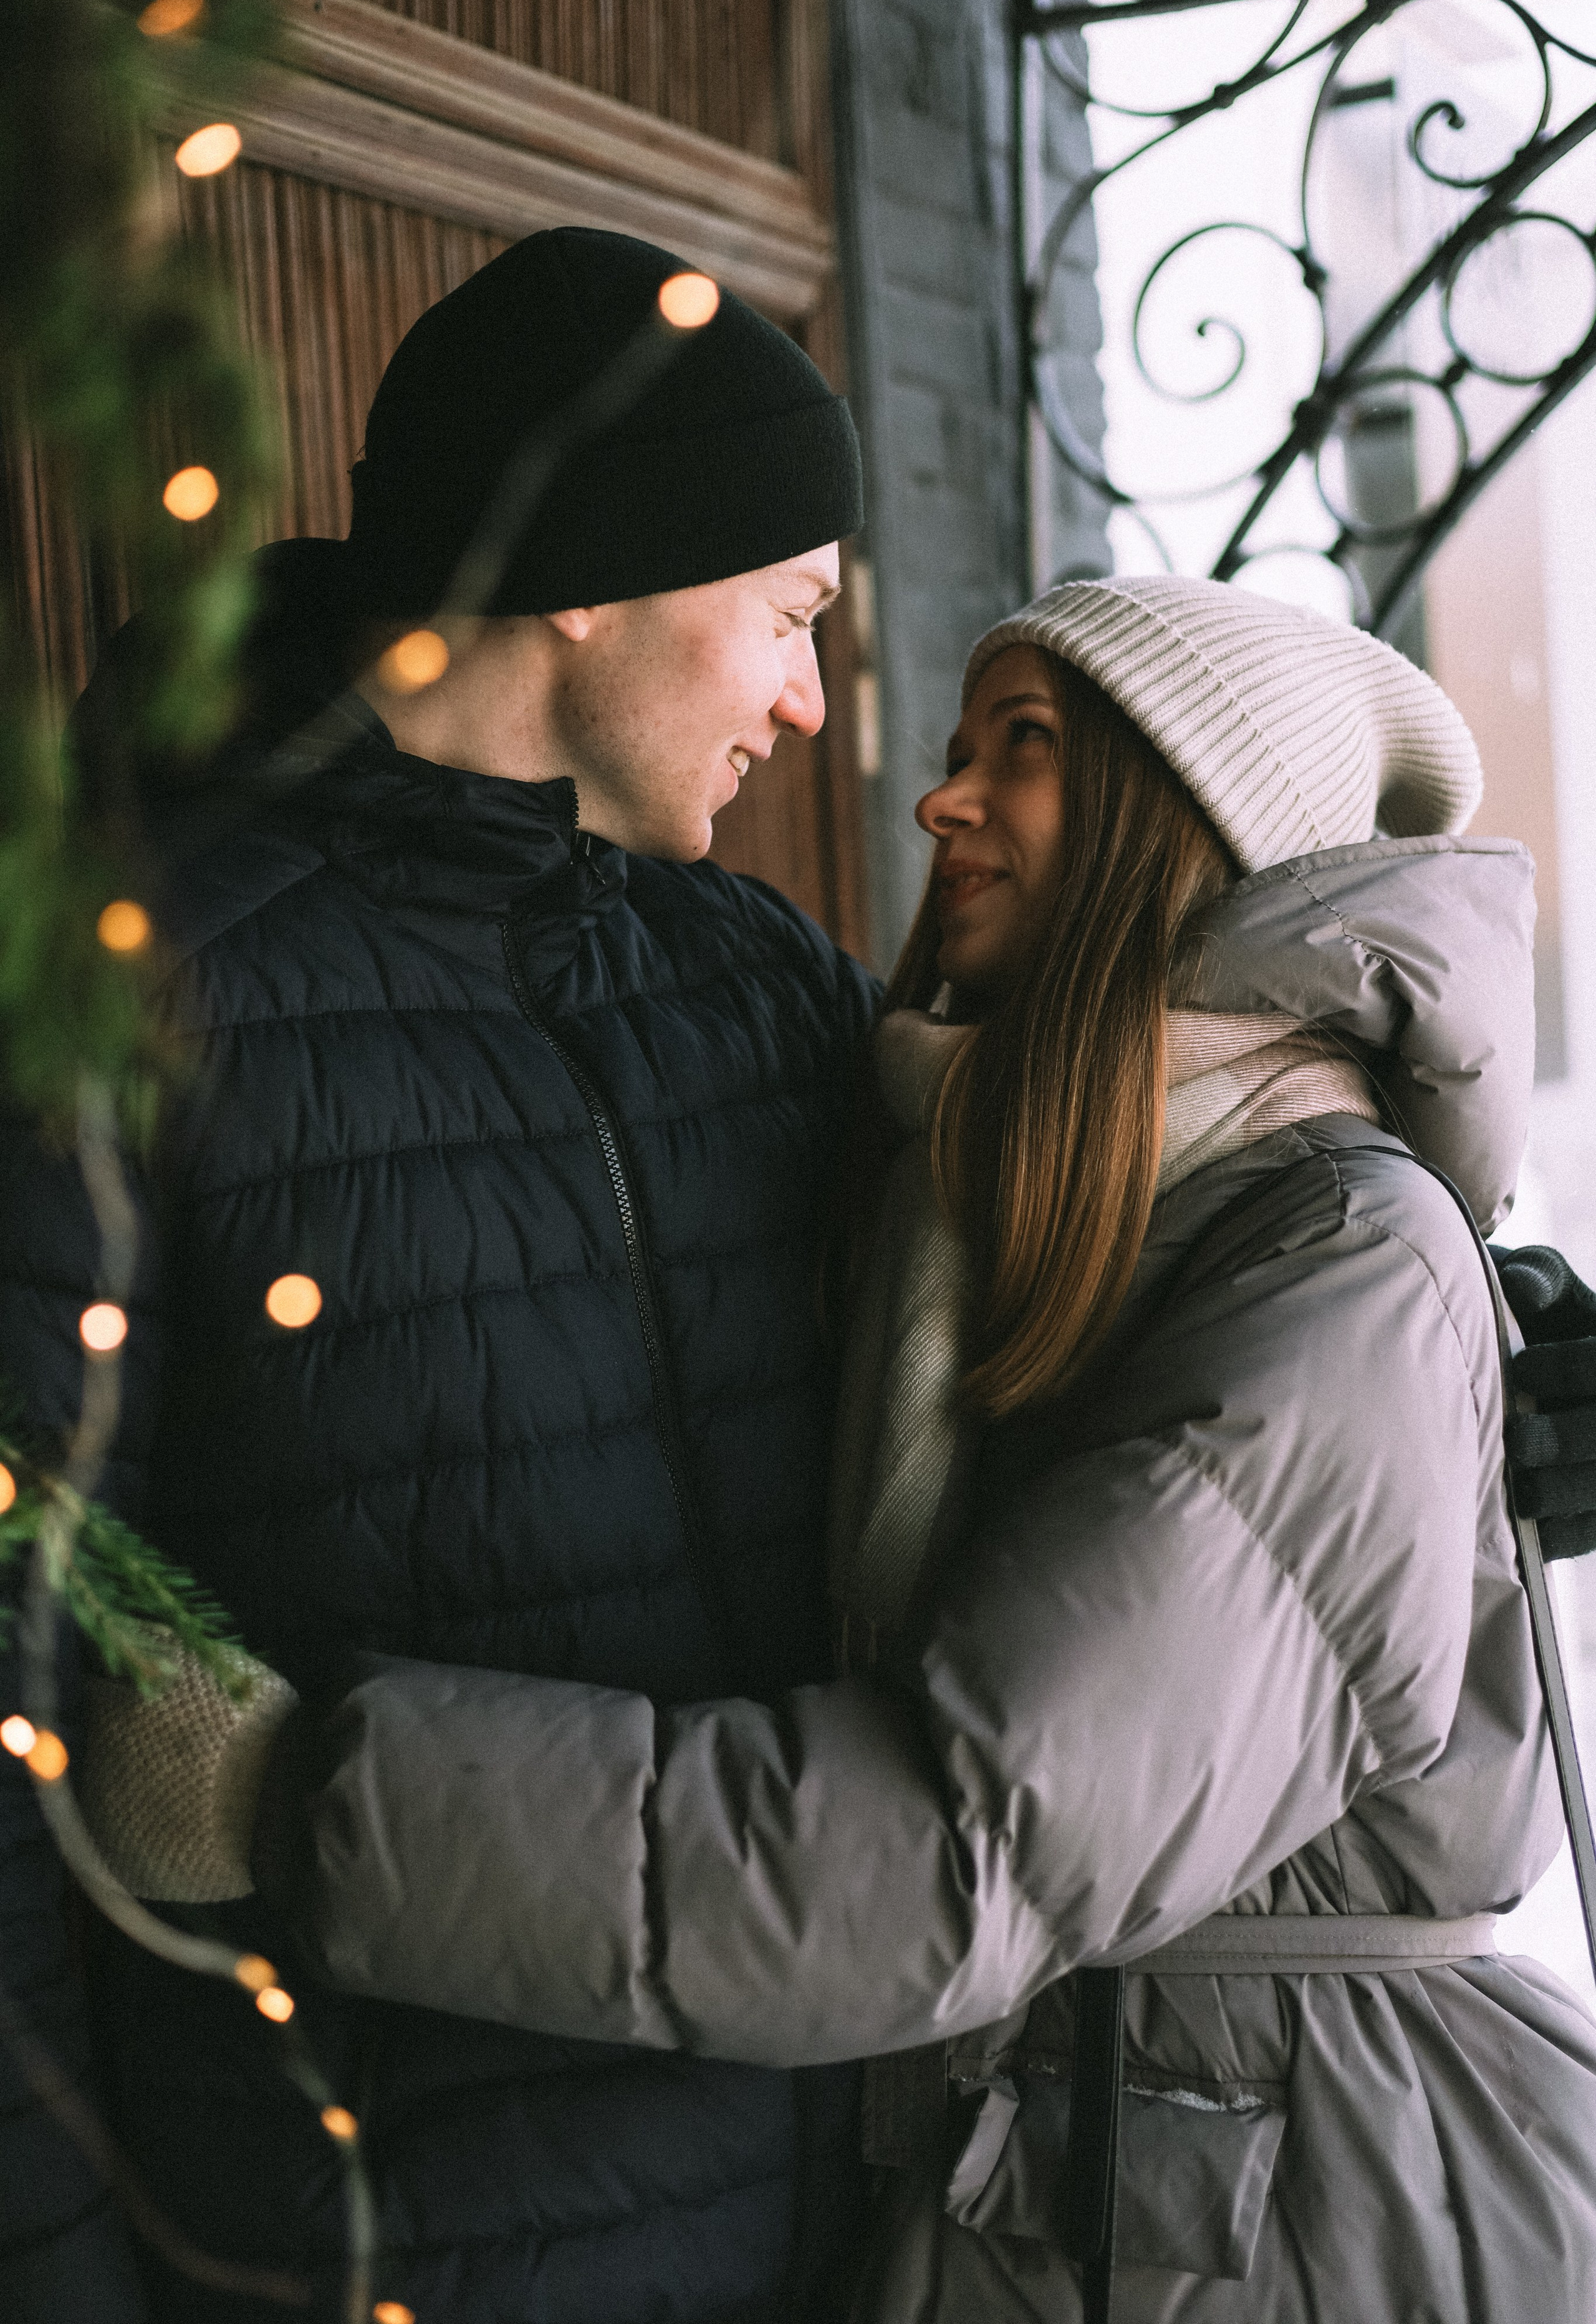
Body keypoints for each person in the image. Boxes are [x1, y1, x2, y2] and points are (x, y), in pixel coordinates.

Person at [236, 575, 1596, 2320]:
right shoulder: (1018, 1172)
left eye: (1023, 751)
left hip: (1291, 2225)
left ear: (1186, 819)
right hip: (1104, 2189)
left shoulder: (1338, 1265)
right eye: (956, 749)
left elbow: (954, 1853)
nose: (940, 798)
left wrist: (315, 1792)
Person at [0, 226, 876, 2322]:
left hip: (812, 2226)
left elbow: (1093, 1267)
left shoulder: (753, 986)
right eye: (788, 615)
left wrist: (1461, 1355)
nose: (810, 702)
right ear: (590, 574)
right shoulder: (142, 1012)